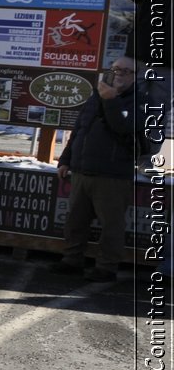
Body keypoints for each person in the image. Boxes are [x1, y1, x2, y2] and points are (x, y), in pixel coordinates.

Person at [56, 57, 139, 282]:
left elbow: (125, 130)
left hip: (112, 176)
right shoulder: (96, 96)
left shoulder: (141, 102)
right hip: (82, 170)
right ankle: (72, 260)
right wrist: (65, 159)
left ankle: (106, 267)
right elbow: (79, 129)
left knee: (111, 225)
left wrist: (111, 101)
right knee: (75, 221)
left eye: (126, 71)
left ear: (135, 76)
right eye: (116, 69)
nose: (119, 74)